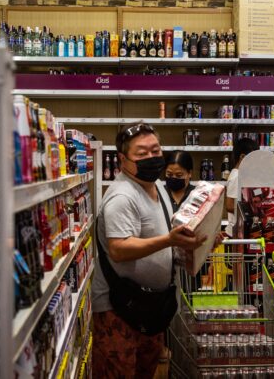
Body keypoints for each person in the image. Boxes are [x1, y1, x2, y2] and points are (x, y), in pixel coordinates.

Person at [92, 123, 206, 378]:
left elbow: (162, 242)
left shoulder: (158, 190)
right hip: (118, 308)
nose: (152, 158)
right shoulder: (122, 196)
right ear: (122, 159)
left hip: (149, 307)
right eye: (141, 153)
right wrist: (169, 240)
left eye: (155, 150)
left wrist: (197, 243)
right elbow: (119, 249)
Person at [225, 137, 260, 237]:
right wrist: (250, 209)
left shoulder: (244, 175)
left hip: (241, 230)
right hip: (235, 232)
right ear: (242, 156)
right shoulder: (236, 176)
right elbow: (229, 205)